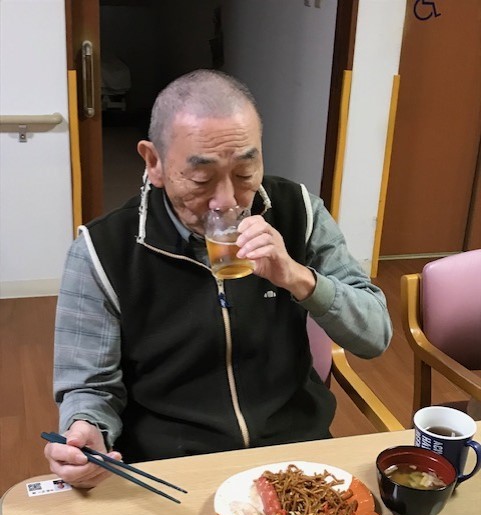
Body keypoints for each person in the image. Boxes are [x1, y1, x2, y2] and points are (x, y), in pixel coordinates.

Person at [44, 69, 392, 489]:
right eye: (202, 179)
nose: (227, 201)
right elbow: (89, 388)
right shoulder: (102, 251)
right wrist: (86, 429)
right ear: (154, 162)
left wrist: (298, 277)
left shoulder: (299, 212)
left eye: (245, 173)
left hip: (293, 457)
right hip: (171, 470)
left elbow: (375, 336)